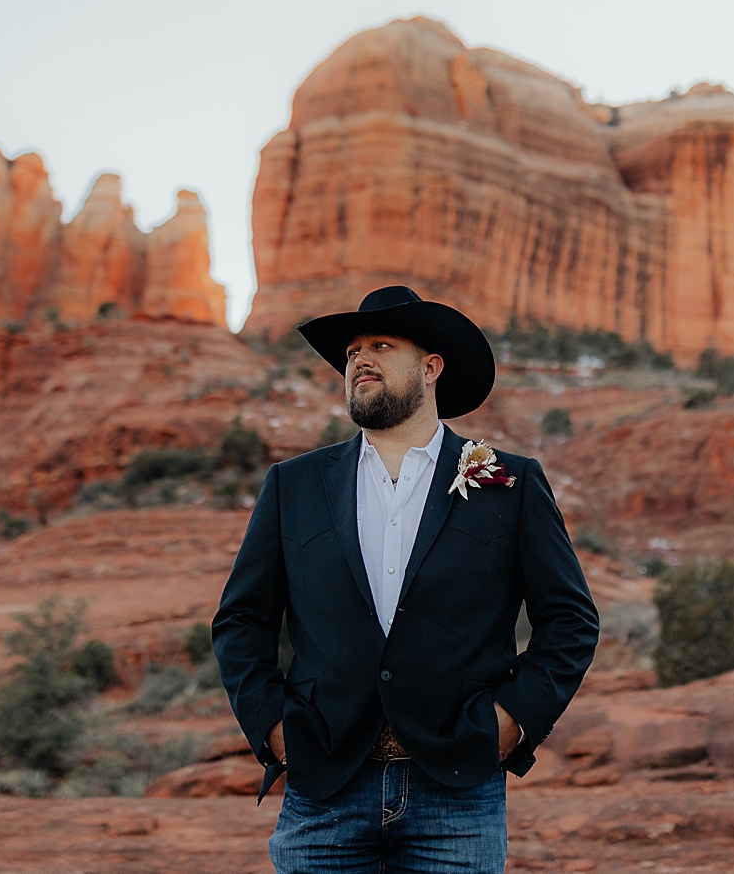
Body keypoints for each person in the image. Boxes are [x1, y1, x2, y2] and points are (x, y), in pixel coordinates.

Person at [213, 285, 601, 874]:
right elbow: (241, 620)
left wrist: (510, 723)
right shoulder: (294, 486)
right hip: (325, 786)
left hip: (457, 793)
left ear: (431, 366)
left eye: (380, 345)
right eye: (350, 352)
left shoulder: (509, 481)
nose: (358, 360)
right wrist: (273, 729)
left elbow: (570, 621)